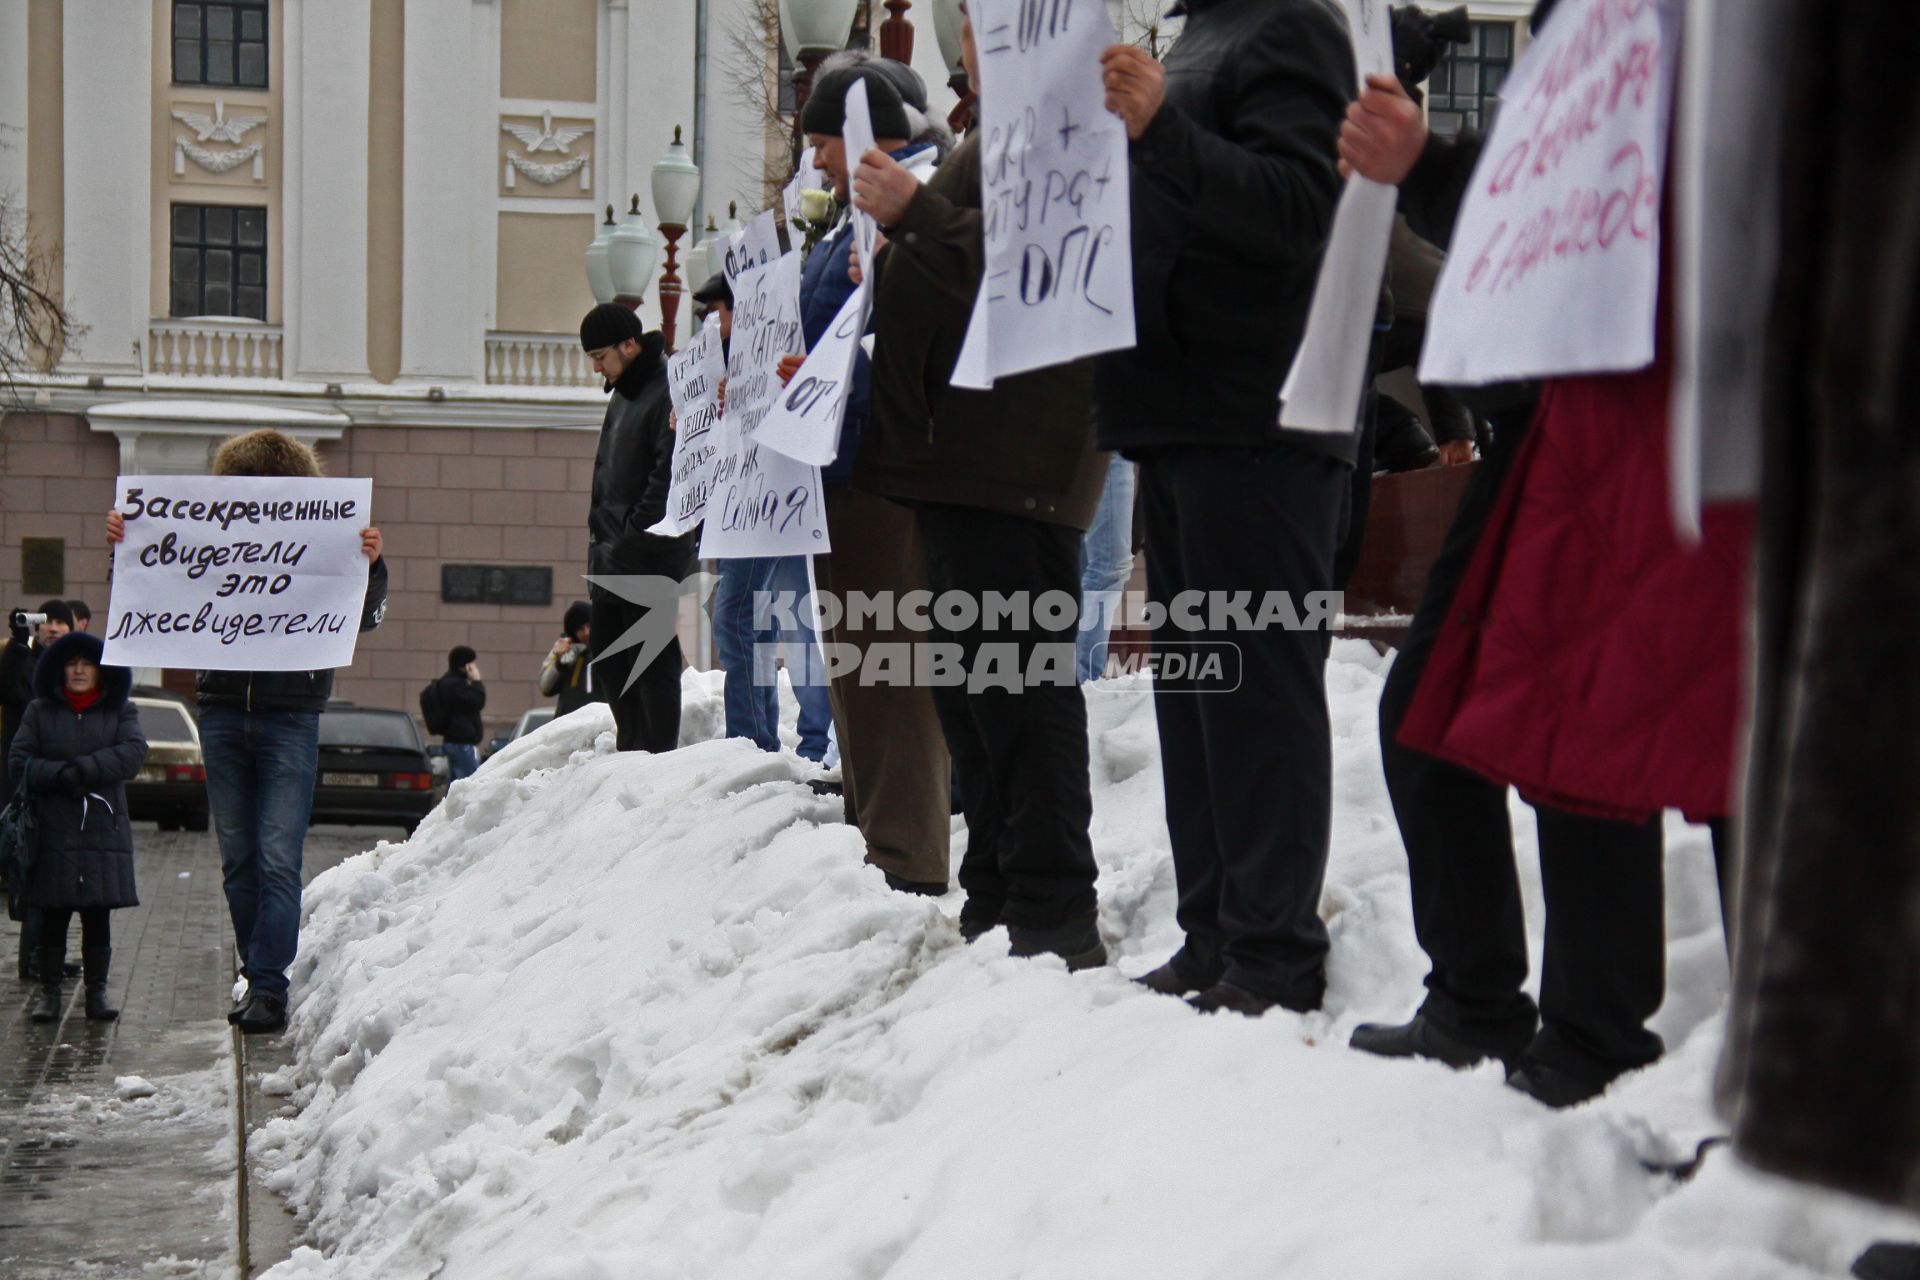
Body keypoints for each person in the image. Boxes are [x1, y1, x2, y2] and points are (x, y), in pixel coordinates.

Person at [1097, 0, 1358, 1015]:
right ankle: (1215, 932)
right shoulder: (1203, 37)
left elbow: (1299, 208)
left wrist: (1162, 129)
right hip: (1178, 409)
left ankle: (1274, 950)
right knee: (1201, 693)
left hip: (1261, 415)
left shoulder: (1292, 28)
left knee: (1256, 687)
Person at [854, 8, 1111, 966]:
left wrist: (911, 217)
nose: (963, 30)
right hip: (967, 463)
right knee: (975, 692)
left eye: (974, 13)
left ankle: (1051, 904)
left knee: (1019, 688)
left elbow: (1033, 268)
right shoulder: (1003, 125)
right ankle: (1003, 887)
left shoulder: (1065, 122)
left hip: (1016, 462)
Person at [104, 428, 388, 1035]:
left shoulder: (326, 538)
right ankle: (258, 967)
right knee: (238, 860)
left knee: (278, 858)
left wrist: (372, 562)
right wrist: (125, 549)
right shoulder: (217, 533)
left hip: (291, 716)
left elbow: (363, 616)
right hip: (225, 712)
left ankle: (267, 987)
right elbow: (154, 588)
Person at [789, 62, 952, 894]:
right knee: (859, 662)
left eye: (821, 139)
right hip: (846, 459)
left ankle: (906, 858)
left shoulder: (921, 197)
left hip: (888, 467)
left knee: (889, 667)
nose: (815, 160)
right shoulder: (859, 211)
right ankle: (876, 837)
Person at [695, 272, 833, 763]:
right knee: (775, 622)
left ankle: (771, 741)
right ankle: (796, 739)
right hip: (753, 505)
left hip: (775, 501)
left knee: (762, 620)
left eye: (720, 312)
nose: (713, 323)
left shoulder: (767, 350)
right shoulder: (727, 362)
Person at [10, 630, 146, 1024]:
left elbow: (133, 754)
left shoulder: (121, 711)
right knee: (54, 912)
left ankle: (96, 994)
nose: (79, 671)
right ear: (60, 669)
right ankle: (49, 993)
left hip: (102, 829)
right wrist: (59, 776)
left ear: (101, 671)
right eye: (72, 664)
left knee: (96, 914)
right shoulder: (40, 711)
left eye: (87, 664)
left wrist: (87, 769)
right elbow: (20, 762)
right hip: (53, 828)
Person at [581, 302, 694, 754]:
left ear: (629, 345)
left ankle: (658, 755)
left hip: (650, 551)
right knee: (608, 656)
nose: (596, 368)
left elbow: (666, 475)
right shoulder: (625, 388)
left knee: (651, 661)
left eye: (601, 356)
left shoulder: (667, 388)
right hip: (614, 551)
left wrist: (631, 536)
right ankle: (633, 745)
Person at [3, 599, 76, 983]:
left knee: (59, 878)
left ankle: (50, 955)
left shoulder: (74, 667)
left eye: (59, 622)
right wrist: (17, 645)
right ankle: (32, 959)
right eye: (45, 622)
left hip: (61, 785)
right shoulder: (26, 661)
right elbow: (11, 693)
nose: (52, 628)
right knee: (34, 874)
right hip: (29, 785)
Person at [539, 601, 604, 717]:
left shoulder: (608, 650)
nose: (586, 633)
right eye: (580, 629)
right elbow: (545, 688)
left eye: (589, 626)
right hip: (569, 726)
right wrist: (559, 664)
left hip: (602, 726)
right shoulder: (564, 651)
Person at [432, 647, 487, 781]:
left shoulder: (455, 683)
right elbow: (477, 701)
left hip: (458, 743)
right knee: (470, 783)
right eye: (472, 663)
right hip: (460, 743)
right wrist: (477, 681)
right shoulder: (453, 684)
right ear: (465, 665)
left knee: (456, 785)